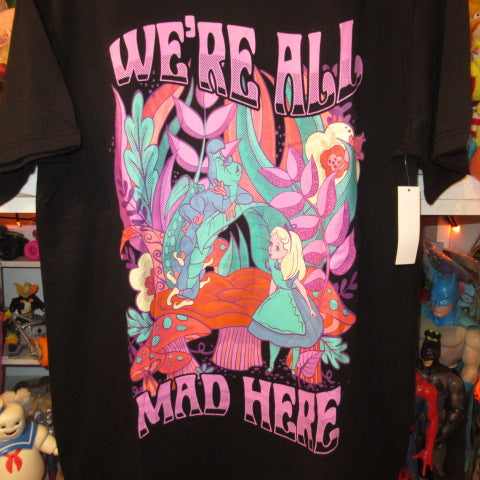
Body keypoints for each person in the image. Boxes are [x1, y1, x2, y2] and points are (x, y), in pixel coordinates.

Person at [248, 226, 323, 374]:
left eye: (277, 247)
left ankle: (293, 369)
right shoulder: (273, 264)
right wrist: (269, 299)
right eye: (271, 244)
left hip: (293, 303)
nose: (271, 249)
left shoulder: (290, 269)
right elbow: (273, 281)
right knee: (274, 336)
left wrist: (309, 308)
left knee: (296, 339)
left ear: (288, 250)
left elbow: (301, 289)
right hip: (277, 300)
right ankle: (271, 365)